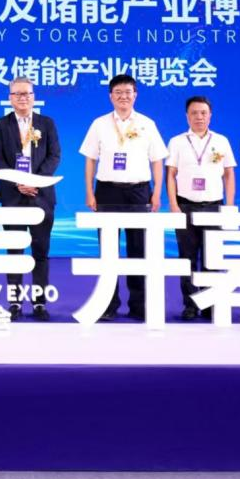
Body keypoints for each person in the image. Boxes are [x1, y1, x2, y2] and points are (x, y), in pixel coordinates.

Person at [79, 74, 167, 322]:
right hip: (107, 190)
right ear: (110, 96)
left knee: (138, 248)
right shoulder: (99, 124)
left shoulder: (147, 124)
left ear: (135, 95)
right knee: (108, 250)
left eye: (128, 92)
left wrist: (157, 192)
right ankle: (108, 304)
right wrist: (89, 191)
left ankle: (139, 305)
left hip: (139, 191)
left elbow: (157, 160)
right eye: (118, 92)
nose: (123, 97)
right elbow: (90, 160)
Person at [0, 76, 61, 321]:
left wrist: (35, 181)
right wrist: (18, 182)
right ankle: (15, 302)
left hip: (41, 196)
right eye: (17, 94)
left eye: (27, 93)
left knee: (40, 251)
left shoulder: (46, 123)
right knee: (14, 251)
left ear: (34, 96)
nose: (23, 98)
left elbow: (54, 156)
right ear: (10, 98)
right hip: (12, 196)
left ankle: (39, 303)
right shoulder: (2, 124)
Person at [165, 95, 236, 321]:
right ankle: (190, 304)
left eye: (203, 113)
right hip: (185, 206)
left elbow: (229, 174)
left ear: (210, 115)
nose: (199, 117)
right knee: (186, 258)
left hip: (214, 206)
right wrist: (174, 205)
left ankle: (209, 303)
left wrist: (229, 206)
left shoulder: (221, 141)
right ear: (187, 116)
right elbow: (171, 175)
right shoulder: (177, 141)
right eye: (194, 113)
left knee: (212, 257)